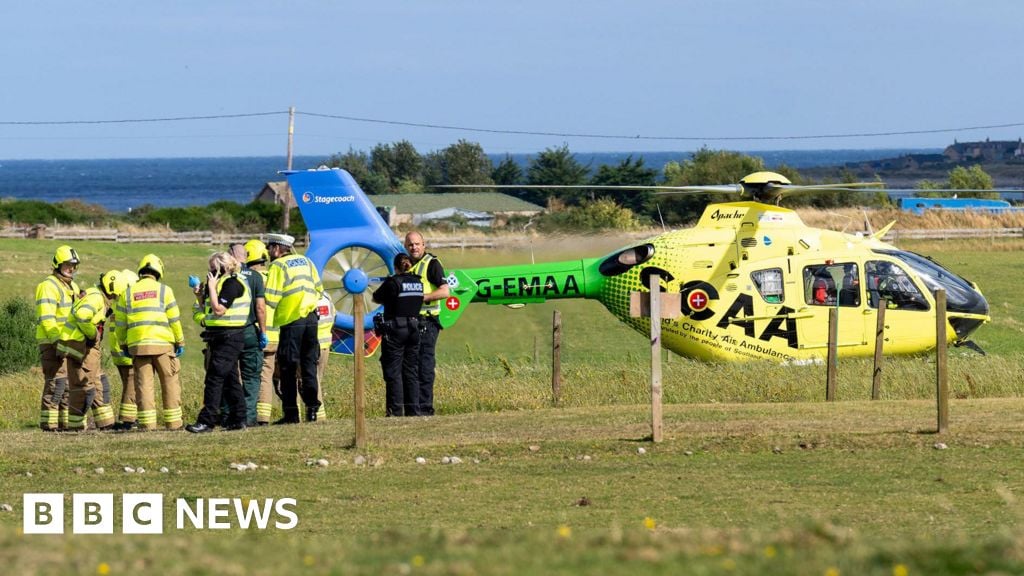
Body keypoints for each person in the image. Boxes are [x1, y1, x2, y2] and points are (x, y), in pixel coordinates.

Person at [115, 254, 185, 431]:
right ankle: (174, 424)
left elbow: (120, 324)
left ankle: (147, 424)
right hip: (163, 345)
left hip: (138, 346)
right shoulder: (165, 290)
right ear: (159, 271)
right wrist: (180, 341)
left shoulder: (128, 293)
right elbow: (174, 319)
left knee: (144, 385)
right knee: (169, 382)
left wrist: (123, 344)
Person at [186, 252, 251, 433]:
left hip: (230, 335)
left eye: (213, 268)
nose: (210, 272)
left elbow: (219, 309)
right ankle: (239, 418)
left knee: (214, 378)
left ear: (223, 267)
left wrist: (212, 287)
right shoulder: (221, 282)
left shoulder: (232, 283)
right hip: (219, 335)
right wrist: (200, 295)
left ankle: (207, 421)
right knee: (230, 379)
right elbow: (207, 307)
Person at [264, 233, 323, 424]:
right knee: (308, 366)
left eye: (269, 247)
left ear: (277, 248)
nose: (268, 252)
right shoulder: (306, 261)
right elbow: (319, 289)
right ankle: (312, 410)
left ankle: (291, 414)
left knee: (288, 367)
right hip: (311, 319)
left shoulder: (278, 266)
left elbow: (271, 298)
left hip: (291, 320)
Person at [57, 269, 126, 431]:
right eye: (115, 296)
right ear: (111, 290)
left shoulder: (96, 295)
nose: (114, 299)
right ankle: (75, 427)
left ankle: (106, 424)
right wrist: (93, 334)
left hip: (82, 346)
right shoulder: (96, 298)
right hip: (79, 346)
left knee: (98, 383)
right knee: (83, 387)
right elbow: (82, 316)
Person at [35, 245, 81, 431]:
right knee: (56, 383)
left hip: (68, 342)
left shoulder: (73, 286)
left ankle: (64, 423)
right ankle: (49, 424)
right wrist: (56, 341)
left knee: (68, 385)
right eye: (67, 265)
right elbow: (47, 318)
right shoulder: (47, 286)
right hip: (52, 342)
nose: (71, 268)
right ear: (57, 265)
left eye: (73, 265)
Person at [373, 253, 424, 416]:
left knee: (393, 372)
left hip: (395, 330)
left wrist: (389, 280)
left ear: (395, 267)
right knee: (411, 371)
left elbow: (376, 298)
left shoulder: (393, 282)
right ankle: (413, 411)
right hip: (415, 329)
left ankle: (395, 412)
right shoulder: (418, 282)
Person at [404, 231, 449, 416]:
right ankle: (413, 409)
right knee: (409, 367)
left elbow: (445, 292)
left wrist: (423, 298)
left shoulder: (432, 264)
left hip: (427, 322)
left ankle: (425, 408)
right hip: (409, 323)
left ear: (424, 245)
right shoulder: (405, 265)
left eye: (417, 244)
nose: (414, 247)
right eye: (410, 245)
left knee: (425, 367)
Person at [231, 242, 266, 426]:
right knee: (251, 376)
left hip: (228, 331)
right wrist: (263, 331)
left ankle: (229, 415)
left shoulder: (226, 275)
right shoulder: (255, 277)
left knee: (228, 375)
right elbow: (260, 307)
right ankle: (249, 417)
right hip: (250, 331)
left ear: (231, 255)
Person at [245, 239, 277, 425]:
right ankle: (265, 417)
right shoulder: (273, 275)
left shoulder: (249, 279)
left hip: (257, 333)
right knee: (268, 375)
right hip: (276, 334)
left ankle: (254, 415)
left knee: (251, 375)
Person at [109, 269, 140, 430]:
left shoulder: (117, 301)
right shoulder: (126, 301)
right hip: (125, 349)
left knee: (128, 382)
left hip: (117, 351)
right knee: (132, 383)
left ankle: (128, 417)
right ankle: (129, 419)